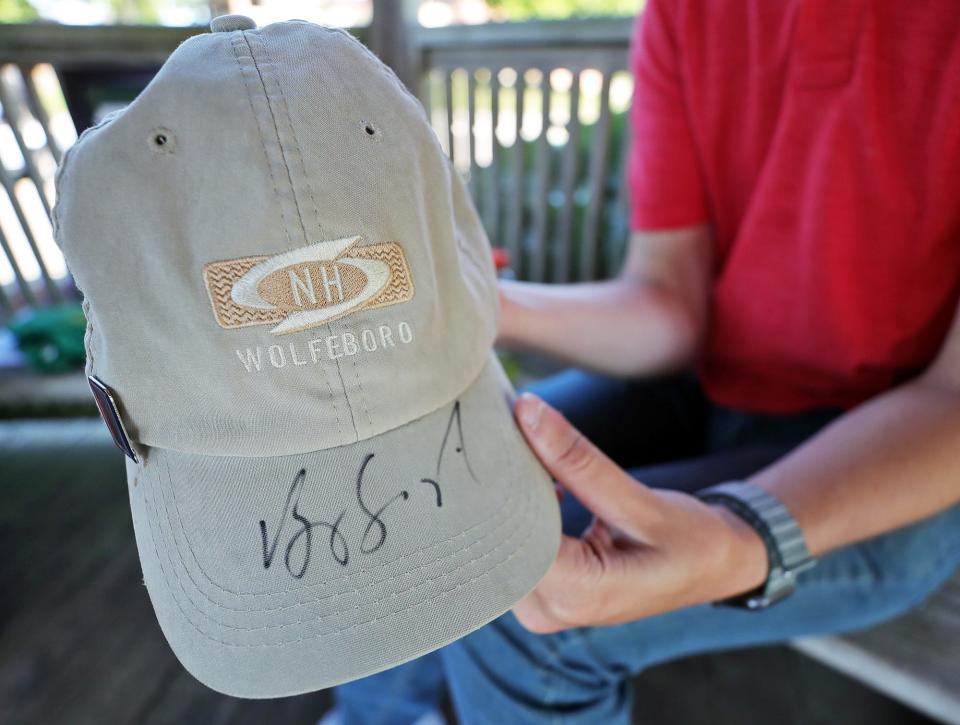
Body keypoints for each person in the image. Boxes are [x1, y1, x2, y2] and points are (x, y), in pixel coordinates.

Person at [326, 1, 960, 722]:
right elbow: (671, 306)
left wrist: (741, 534)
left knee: (526, 602)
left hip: (909, 451)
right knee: (430, 478)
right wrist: (475, 303)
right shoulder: (686, 14)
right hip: (711, 380)